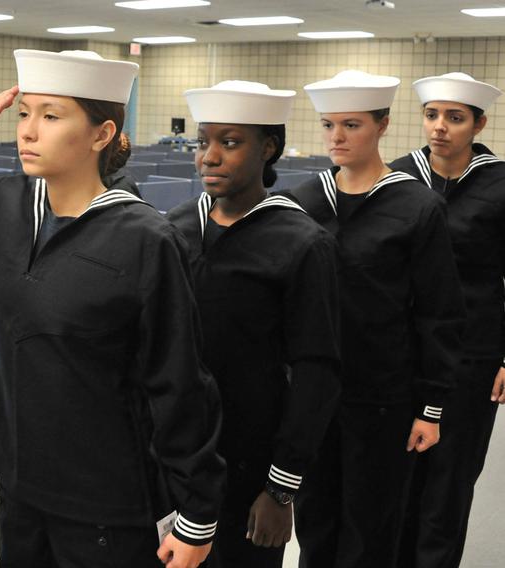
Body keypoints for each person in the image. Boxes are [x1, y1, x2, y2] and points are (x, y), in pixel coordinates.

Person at [0, 49, 225, 568]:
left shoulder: (146, 239)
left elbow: (180, 381)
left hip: (105, 505)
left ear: (101, 135)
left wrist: (196, 514)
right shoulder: (3, 207)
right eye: (24, 113)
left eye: (51, 116)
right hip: (17, 485)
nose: (28, 131)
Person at [289, 70, 466, 568]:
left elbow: (439, 311)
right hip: (315, 394)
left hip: (385, 394)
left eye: (352, 125)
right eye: (328, 125)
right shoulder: (304, 202)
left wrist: (432, 405)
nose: (337, 138)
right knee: (315, 523)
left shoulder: (415, 206)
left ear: (383, 126)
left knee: (371, 529)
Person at [167, 81, 341, 568]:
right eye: (204, 141)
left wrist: (281, 490)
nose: (209, 157)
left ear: (268, 147)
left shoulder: (301, 242)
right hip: (176, 452)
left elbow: (317, 370)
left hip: (250, 457)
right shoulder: (177, 227)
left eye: (230, 141)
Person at [389, 72, 505, 568]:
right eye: (432, 115)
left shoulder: (500, 185)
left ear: (478, 124)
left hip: (473, 354)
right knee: (398, 477)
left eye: (455, 118)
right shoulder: (397, 179)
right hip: (403, 351)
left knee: (451, 479)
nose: (440, 128)